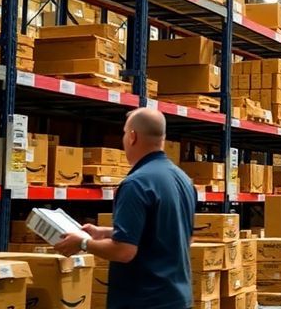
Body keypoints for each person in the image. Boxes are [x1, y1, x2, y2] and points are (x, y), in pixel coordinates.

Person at [55, 108, 197, 309]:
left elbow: (124, 251)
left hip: (144, 301)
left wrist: (83, 243)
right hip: (178, 299)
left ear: (132, 137)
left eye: (123, 133)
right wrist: (104, 233)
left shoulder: (136, 183)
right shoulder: (183, 180)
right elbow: (176, 234)